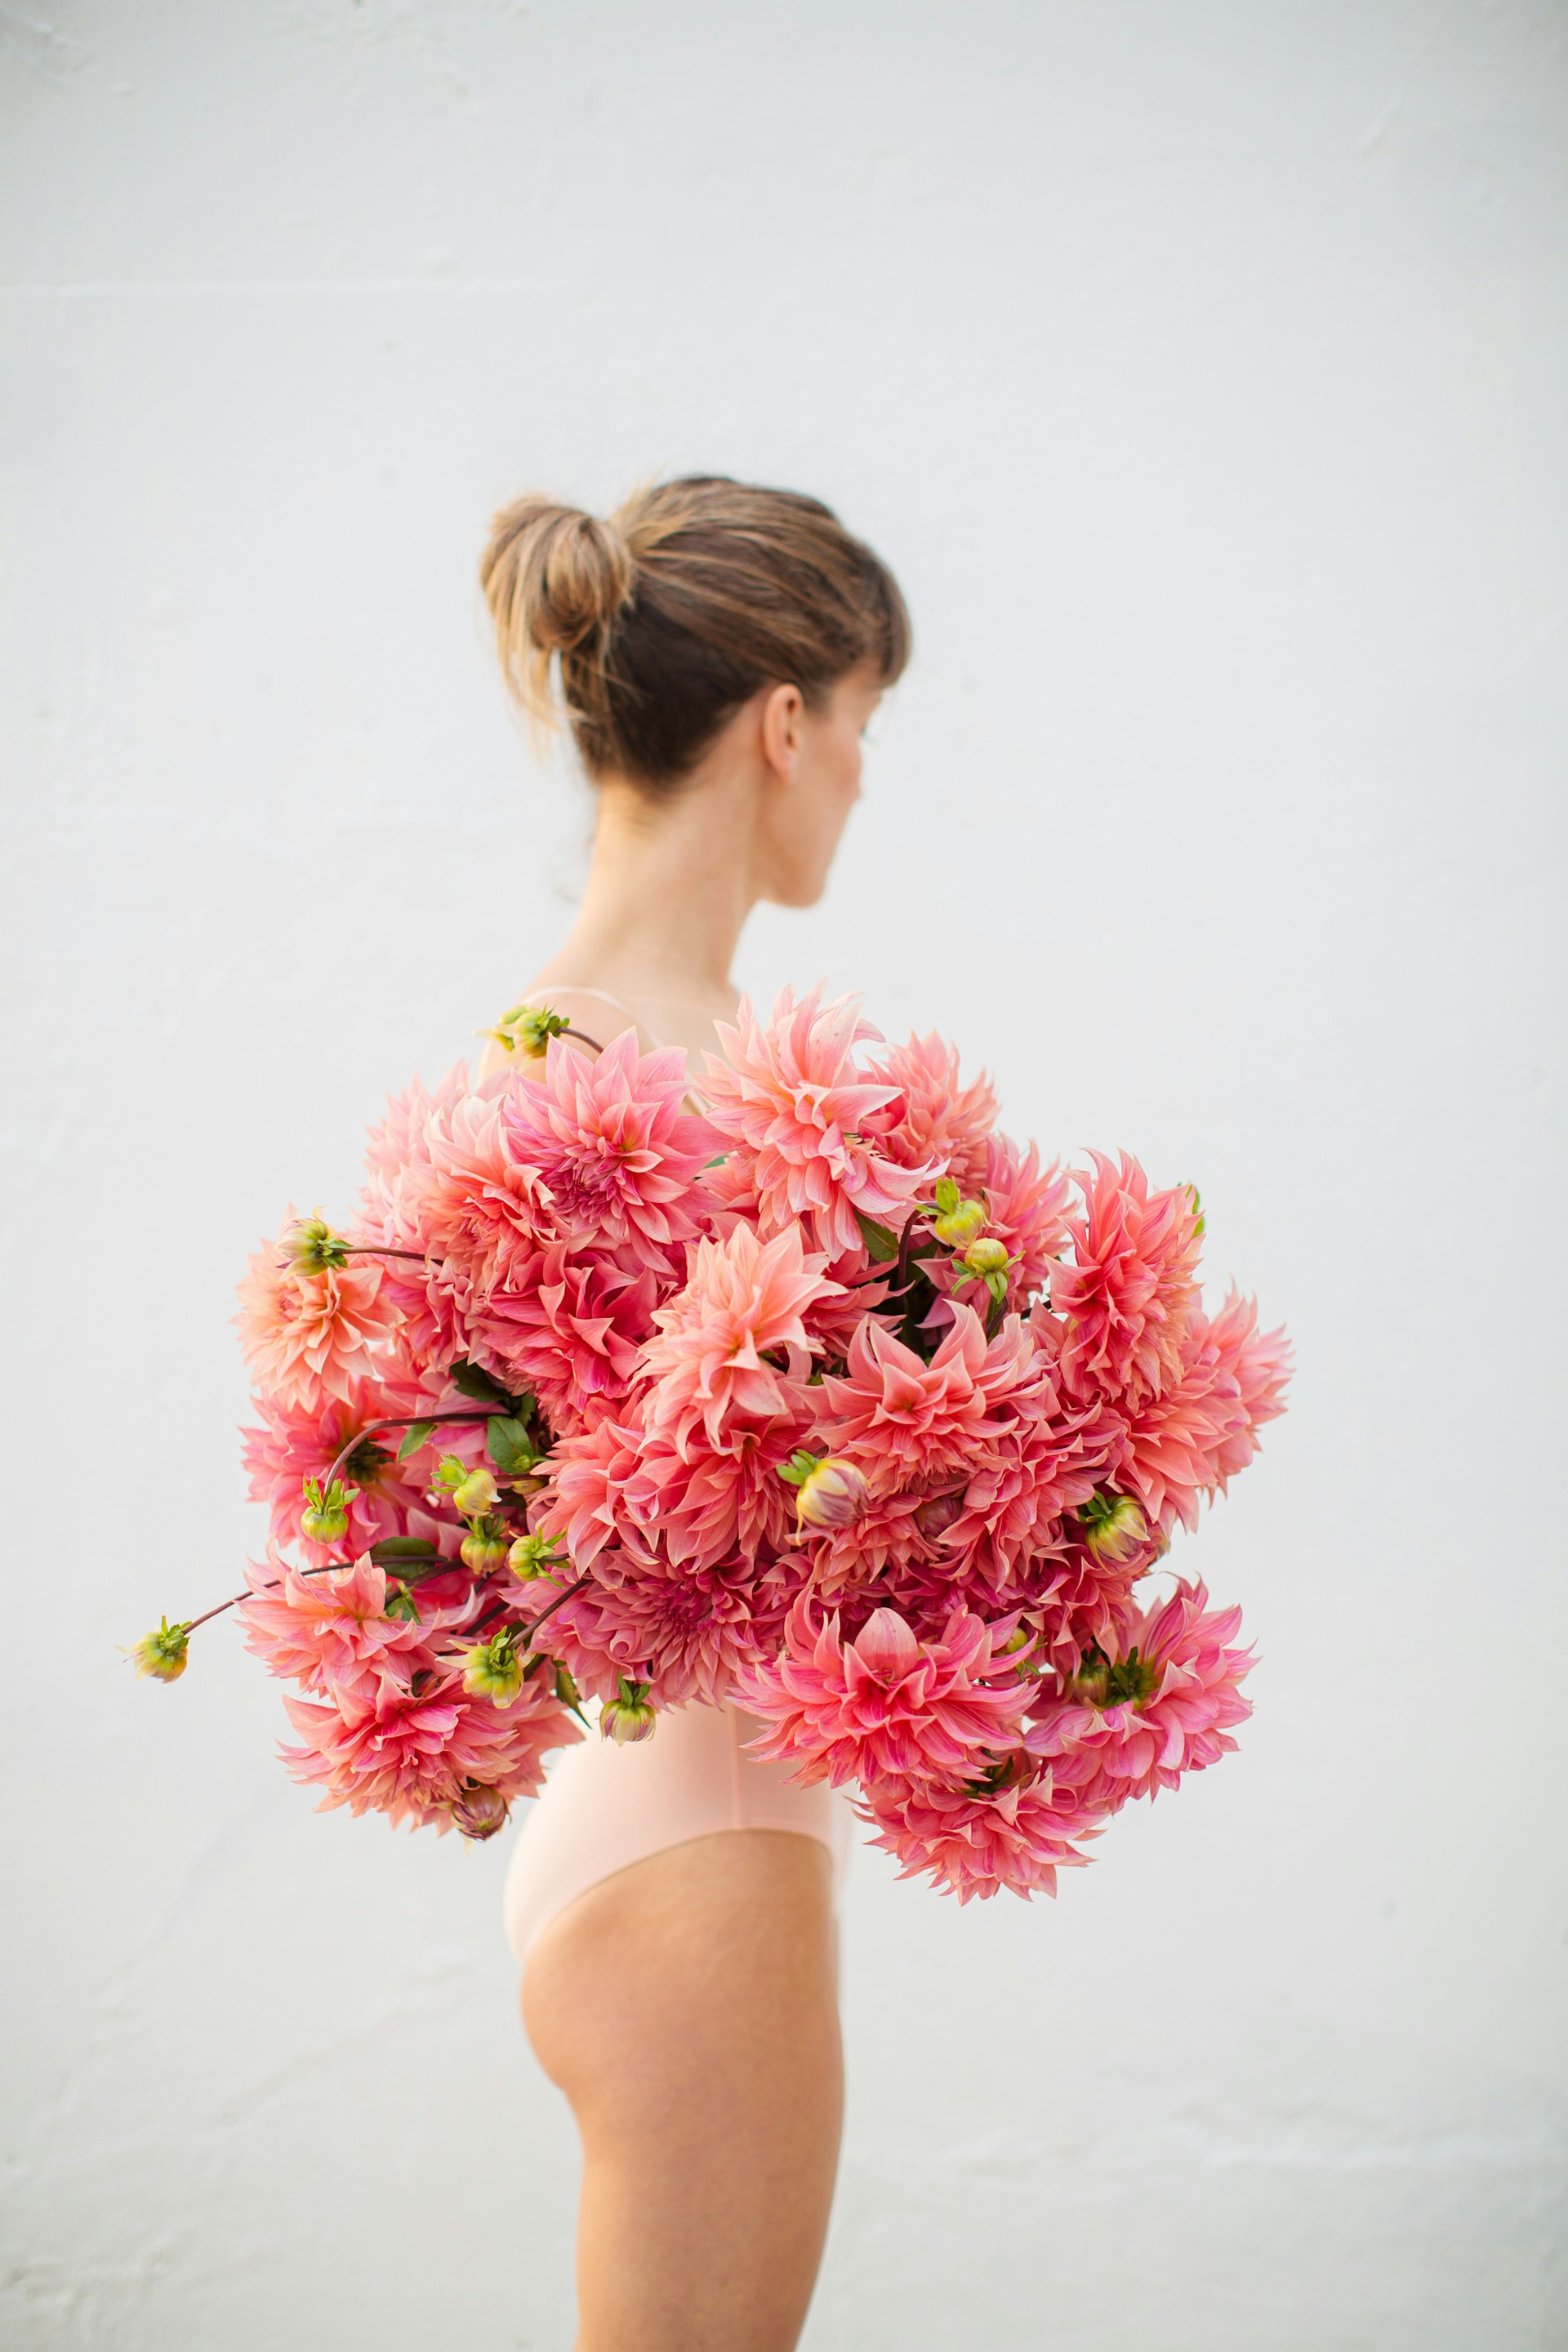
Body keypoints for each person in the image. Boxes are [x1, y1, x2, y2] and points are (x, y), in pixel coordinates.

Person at [475, 478, 910, 2352]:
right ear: (785, 722)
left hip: (683, 1814)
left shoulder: (702, 1047)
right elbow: (544, 1526)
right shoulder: (585, 1063)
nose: (865, 786)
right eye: (868, 729)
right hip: (695, 1832)